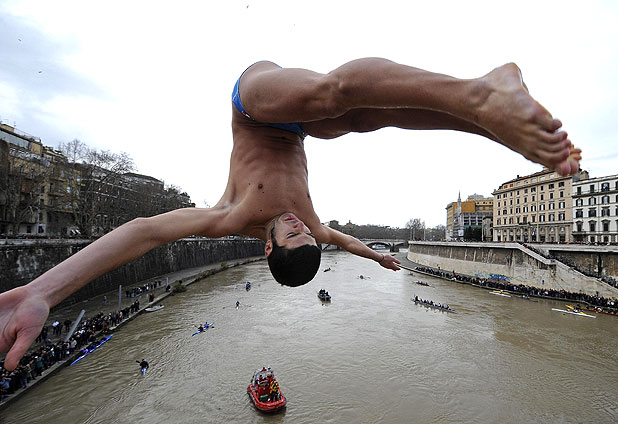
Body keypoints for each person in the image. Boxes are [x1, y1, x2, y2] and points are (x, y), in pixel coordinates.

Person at [0, 58, 581, 371]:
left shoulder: (232, 215)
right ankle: (484, 117)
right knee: (361, 116)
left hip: (254, 101)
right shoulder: (314, 228)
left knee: (335, 94)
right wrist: (380, 257)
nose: (302, 226)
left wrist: (44, 291)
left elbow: (144, 232)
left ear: (269, 245)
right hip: (299, 125)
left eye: (293, 234)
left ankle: (480, 95)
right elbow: (345, 241)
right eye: (308, 235)